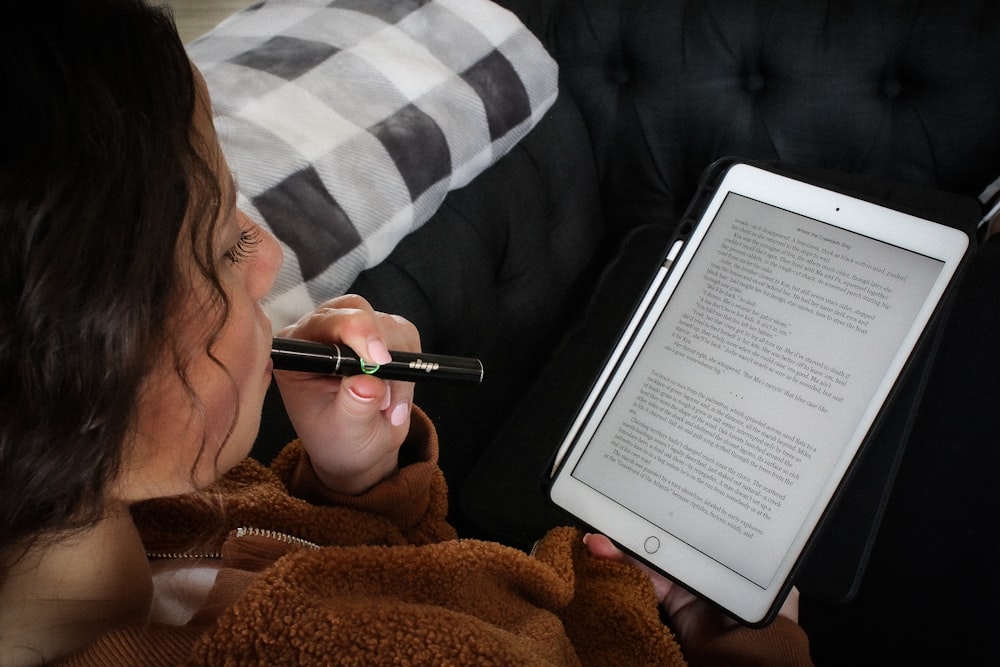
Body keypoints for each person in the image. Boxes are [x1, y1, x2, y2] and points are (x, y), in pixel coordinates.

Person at [0, 1, 812, 664]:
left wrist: (352, 480)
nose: (271, 255)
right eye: (223, 244)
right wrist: (750, 645)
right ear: (81, 365)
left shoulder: (150, 507)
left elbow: (362, 577)